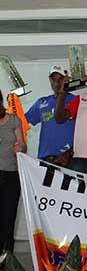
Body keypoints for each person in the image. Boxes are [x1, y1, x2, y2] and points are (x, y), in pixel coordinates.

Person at [25, 66, 76, 167]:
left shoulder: (76, 100)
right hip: (45, 158)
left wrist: (70, 152)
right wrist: (13, 106)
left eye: (60, 79)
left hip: (68, 159)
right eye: (53, 79)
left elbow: (85, 131)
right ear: (49, 80)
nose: (56, 83)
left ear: (67, 80)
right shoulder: (42, 102)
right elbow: (21, 122)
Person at [0, 89, 27, 252]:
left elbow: (23, 146)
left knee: (8, 219)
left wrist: (20, 148)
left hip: (10, 176)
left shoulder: (14, 120)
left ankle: (6, 260)